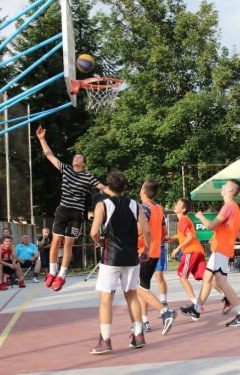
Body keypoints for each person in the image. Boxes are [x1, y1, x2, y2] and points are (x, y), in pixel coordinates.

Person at [36, 125, 108, 292]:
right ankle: (51, 274)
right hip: (62, 210)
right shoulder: (66, 169)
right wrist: (41, 139)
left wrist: (117, 194)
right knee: (55, 243)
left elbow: (103, 187)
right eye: (75, 156)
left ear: (83, 163)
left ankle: (61, 275)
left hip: (76, 214)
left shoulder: (87, 176)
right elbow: (50, 156)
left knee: (67, 245)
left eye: (79, 157)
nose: (76, 157)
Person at [89, 171, 151, 354]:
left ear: (108, 188)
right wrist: (146, 249)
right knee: (132, 296)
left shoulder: (102, 205)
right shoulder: (135, 205)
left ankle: (105, 340)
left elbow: (94, 233)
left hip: (111, 258)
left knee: (106, 299)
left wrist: (101, 242)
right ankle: (138, 335)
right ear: (125, 186)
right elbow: (146, 230)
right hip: (132, 257)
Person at [180, 179, 240, 327]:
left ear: (230, 190)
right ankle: (196, 310)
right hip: (221, 248)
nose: (223, 186)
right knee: (207, 277)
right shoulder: (234, 207)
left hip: (221, 249)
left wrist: (201, 217)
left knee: (221, 282)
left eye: (225, 185)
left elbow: (211, 226)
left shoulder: (228, 206)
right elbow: (235, 229)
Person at [136, 178, 177, 335]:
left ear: (144, 191)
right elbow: (164, 232)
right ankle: (144, 321)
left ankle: (165, 312)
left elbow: (140, 229)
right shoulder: (159, 208)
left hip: (143, 252)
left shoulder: (144, 208)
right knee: (143, 287)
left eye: (141, 188)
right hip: (155, 252)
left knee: (136, 287)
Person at [167, 198, 207, 308]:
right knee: (206, 277)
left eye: (178, 204)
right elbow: (184, 235)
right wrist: (171, 238)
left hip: (191, 250)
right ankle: (225, 296)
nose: (175, 205)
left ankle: (195, 304)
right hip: (198, 250)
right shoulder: (185, 219)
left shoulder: (183, 220)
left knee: (182, 276)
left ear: (183, 209)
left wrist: (177, 248)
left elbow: (189, 237)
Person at [154, 242, 168, 308]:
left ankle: (163, 301)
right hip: (142, 247)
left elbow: (165, 232)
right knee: (142, 279)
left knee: (159, 276)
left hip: (158, 247)